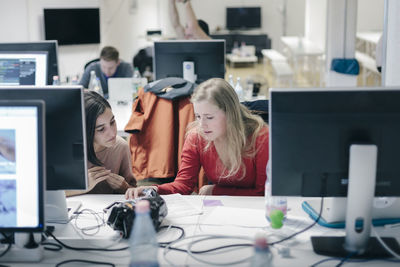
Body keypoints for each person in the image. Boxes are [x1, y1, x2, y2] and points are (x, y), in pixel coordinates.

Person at [125, 78, 269, 199]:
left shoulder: (260, 136)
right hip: (219, 208)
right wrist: (152, 190)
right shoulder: (196, 137)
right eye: (198, 116)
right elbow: (183, 185)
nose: (202, 124)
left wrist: (215, 191)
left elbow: (263, 192)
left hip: (255, 210)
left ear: (230, 114)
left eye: (209, 117)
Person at [67, 91, 136, 196]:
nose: (112, 133)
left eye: (112, 122)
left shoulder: (120, 147)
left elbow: (134, 192)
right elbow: (47, 195)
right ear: (85, 131)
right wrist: (82, 186)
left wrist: (124, 188)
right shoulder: (68, 151)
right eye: (101, 129)